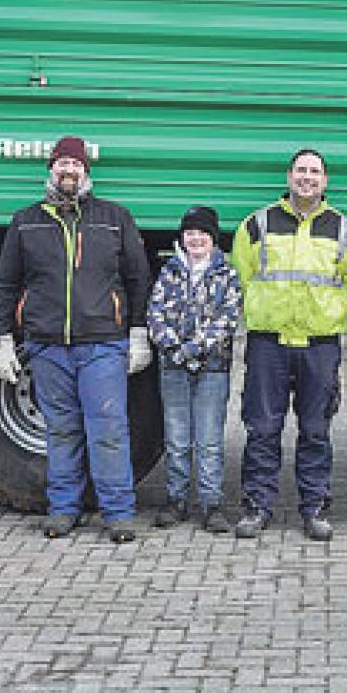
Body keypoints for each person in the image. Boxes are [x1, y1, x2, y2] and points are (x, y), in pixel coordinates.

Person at [0, 135, 152, 543]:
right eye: (62, 164)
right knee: (61, 432)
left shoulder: (115, 218)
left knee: (108, 430)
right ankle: (63, 509)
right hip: (47, 347)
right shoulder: (26, 222)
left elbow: (138, 279)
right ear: (51, 170)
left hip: (103, 345)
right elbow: (6, 284)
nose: (69, 171)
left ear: (86, 172)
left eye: (76, 165)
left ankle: (118, 513)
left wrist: (138, 333)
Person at [231, 149, 347, 541]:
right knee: (262, 429)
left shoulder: (344, 229)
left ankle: (314, 508)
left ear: (325, 181)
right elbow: (242, 274)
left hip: (319, 345)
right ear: (289, 177)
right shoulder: (257, 224)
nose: (307, 177)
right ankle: (257, 506)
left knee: (316, 430)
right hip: (269, 343)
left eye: (314, 172)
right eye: (301, 170)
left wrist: (325, 312)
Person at [146, 205, 243, 535]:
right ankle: (176, 500)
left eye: (203, 233)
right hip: (173, 367)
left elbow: (228, 318)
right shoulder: (169, 272)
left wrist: (194, 348)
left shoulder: (227, 274)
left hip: (212, 367)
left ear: (213, 238)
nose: (196, 239)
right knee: (176, 439)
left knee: (209, 440)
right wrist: (174, 348)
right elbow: (155, 314)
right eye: (190, 233)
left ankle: (211, 504)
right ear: (182, 237)